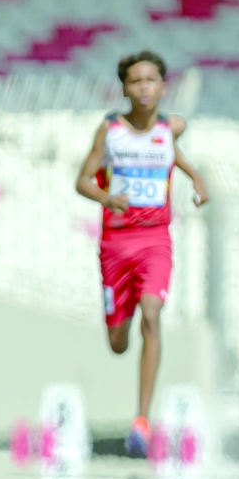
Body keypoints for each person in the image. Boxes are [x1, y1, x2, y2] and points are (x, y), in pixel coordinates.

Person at [76, 51, 209, 455]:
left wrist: (196, 177)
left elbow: (169, 149)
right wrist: (105, 197)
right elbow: (82, 180)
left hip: (155, 239)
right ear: (125, 89)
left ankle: (141, 419)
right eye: (135, 81)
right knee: (118, 343)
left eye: (151, 80)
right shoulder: (110, 129)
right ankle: (124, 306)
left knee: (152, 313)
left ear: (164, 87)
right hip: (116, 244)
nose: (144, 87)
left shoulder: (171, 127)